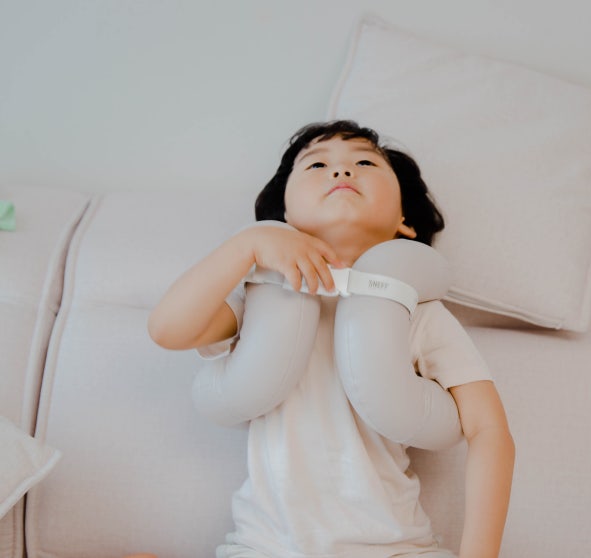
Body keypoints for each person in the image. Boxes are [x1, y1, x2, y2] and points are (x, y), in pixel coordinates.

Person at [147, 120, 515, 557]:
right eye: (316, 165)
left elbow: (489, 429)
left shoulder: (416, 313)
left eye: (365, 163)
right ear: (285, 215)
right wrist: (247, 245)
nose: (342, 171)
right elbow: (167, 329)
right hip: (265, 548)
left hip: (397, 549)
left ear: (404, 221)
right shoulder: (258, 303)